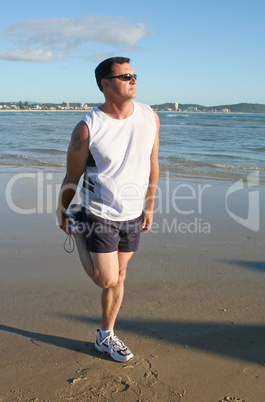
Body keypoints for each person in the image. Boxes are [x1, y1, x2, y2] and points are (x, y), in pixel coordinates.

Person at [56, 56, 160, 362]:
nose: (133, 79)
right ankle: (78, 231)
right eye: (125, 76)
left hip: (132, 213)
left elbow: (153, 162)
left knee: (121, 274)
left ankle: (106, 335)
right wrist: (62, 212)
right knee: (106, 279)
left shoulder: (150, 117)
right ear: (106, 84)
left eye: (134, 74)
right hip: (99, 212)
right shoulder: (87, 128)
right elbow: (72, 176)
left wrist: (150, 205)